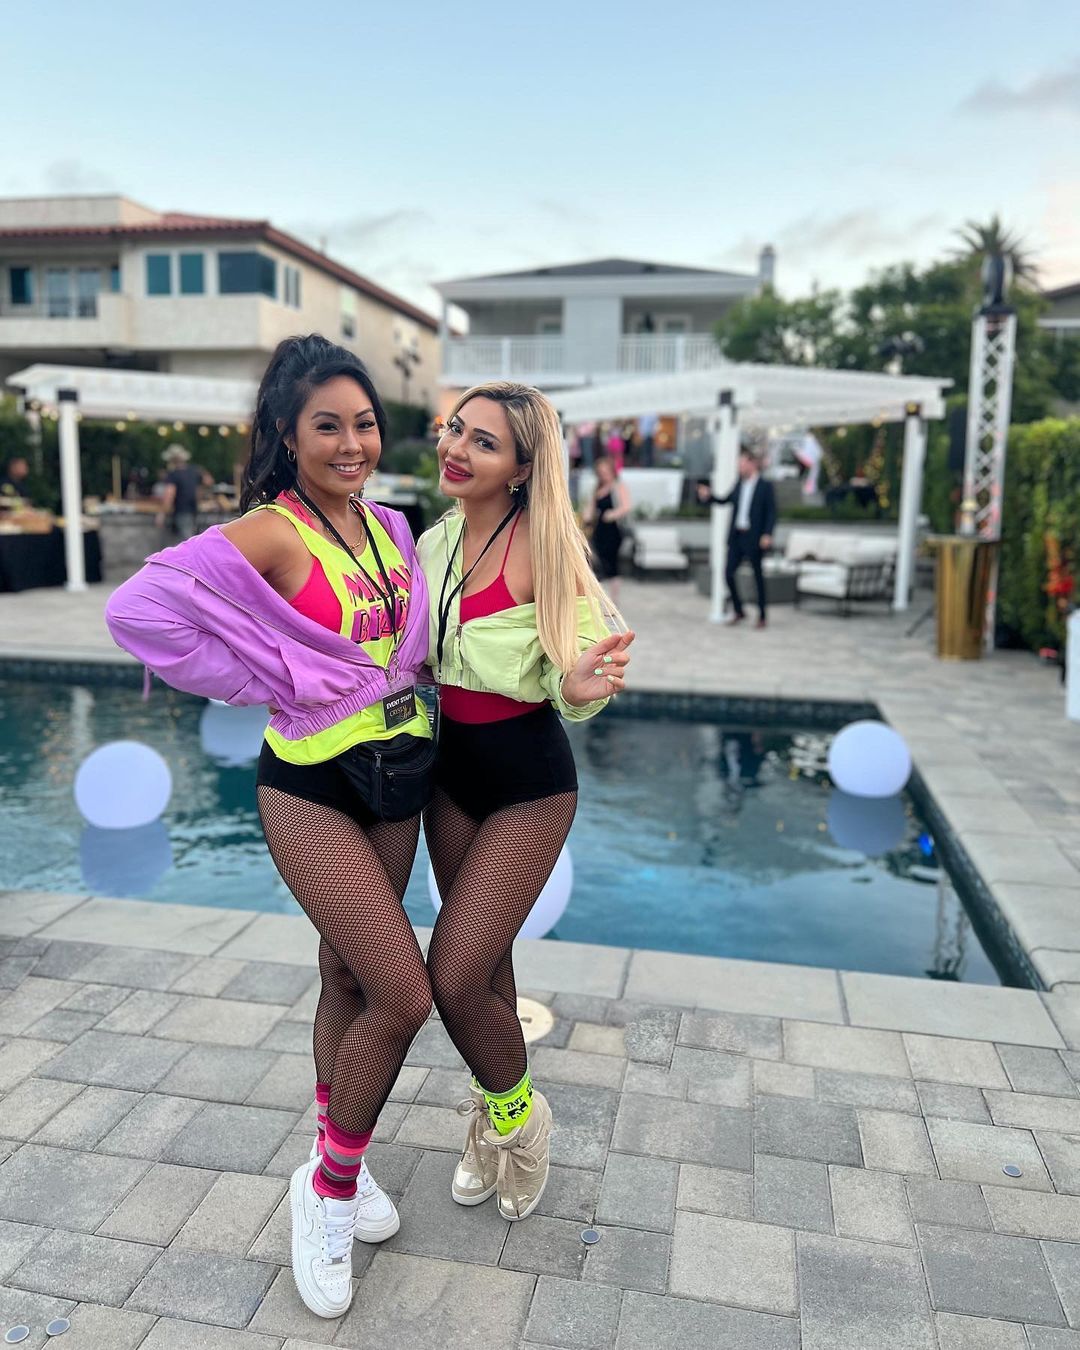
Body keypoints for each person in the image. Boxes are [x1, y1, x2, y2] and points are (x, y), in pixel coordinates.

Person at [107, 335, 435, 1321]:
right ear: (288, 435)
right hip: (311, 787)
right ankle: (327, 1191)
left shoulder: (391, 526)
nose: (352, 443)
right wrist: (263, 678)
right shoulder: (273, 532)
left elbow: (408, 647)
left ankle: (342, 1155)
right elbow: (139, 611)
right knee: (404, 995)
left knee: (348, 975)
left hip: (399, 776)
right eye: (327, 425)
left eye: (364, 423)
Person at [417, 381, 634, 1222]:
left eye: (484, 442)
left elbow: (581, 675)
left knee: (451, 972)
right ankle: (493, 1119)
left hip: (527, 787)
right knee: (487, 970)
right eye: (456, 430)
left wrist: (578, 687)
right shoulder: (432, 543)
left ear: (520, 468)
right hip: (447, 779)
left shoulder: (544, 550)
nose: (456, 449)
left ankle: (521, 1120)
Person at [697, 448, 777, 628]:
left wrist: (767, 534)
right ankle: (739, 610)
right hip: (737, 537)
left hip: (754, 537)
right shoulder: (739, 485)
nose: (739, 467)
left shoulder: (765, 486)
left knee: (757, 577)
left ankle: (762, 615)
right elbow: (724, 500)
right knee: (728, 573)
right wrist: (708, 496)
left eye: (742, 464)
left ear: (752, 464)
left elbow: (771, 512)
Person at [582, 450, 632, 601]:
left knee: (611, 565)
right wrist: (586, 515)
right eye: (600, 473)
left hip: (613, 531)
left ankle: (613, 600)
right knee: (597, 564)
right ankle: (600, 599)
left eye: (605, 472)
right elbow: (591, 507)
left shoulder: (618, 486)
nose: (603, 475)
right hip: (599, 530)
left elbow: (626, 506)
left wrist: (613, 514)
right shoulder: (598, 488)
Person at [156, 444, 210, 540]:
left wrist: (162, 514)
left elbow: (169, 494)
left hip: (181, 511)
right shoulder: (193, 470)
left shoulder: (173, 474)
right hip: (194, 510)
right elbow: (208, 481)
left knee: (186, 540)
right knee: (191, 538)